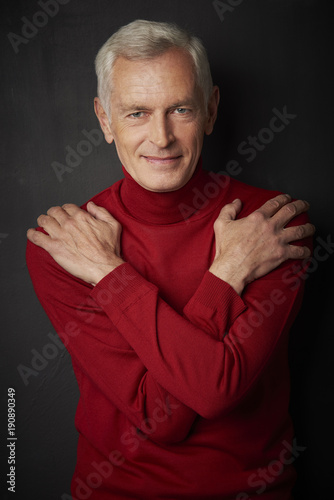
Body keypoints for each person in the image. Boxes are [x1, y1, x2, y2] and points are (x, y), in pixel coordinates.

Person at [26, 19, 314, 500]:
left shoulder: (270, 227)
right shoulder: (67, 246)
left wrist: (109, 276)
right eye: (136, 113)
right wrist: (225, 275)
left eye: (180, 109)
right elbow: (162, 417)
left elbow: (214, 390)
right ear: (104, 120)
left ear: (211, 109)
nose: (161, 138)